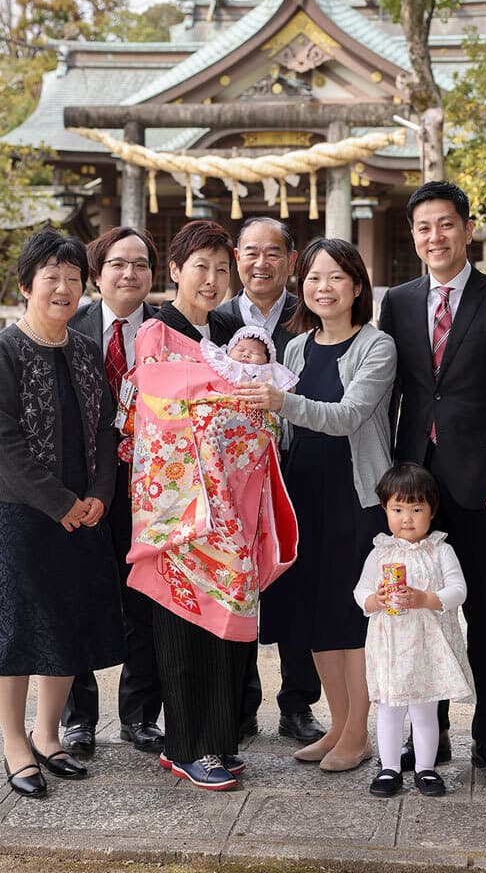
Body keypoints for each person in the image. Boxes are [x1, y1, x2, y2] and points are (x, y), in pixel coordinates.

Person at [379, 180, 486, 784]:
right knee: (421, 613)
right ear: (414, 235)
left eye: (446, 224)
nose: (434, 237)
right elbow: (392, 392)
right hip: (416, 492)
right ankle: (433, 734)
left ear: (467, 229)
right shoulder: (397, 301)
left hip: (481, 489)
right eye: (423, 227)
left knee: (485, 613)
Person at [127, 220, 284, 791]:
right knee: (180, 628)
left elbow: (255, 407)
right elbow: (160, 407)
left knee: (227, 628)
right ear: (174, 271)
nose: (214, 279)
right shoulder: (155, 333)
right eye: (202, 267)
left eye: (223, 268)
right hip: (179, 510)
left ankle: (209, 742)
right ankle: (192, 746)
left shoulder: (230, 331)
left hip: (232, 510)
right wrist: (223, 393)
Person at [236, 238, 397, 772]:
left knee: (351, 620)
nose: (322, 288)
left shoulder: (377, 346)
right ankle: (337, 725)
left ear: (356, 285)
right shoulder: (298, 346)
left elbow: (348, 416)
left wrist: (282, 402)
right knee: (315, 619)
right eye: (312, 278)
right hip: (301, 496)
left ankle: (358, 734)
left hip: (353, 500)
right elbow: (281, 427)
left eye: (335, 277)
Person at [0, 229, 125, 798]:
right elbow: (4, 443)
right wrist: (60, 503)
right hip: (18, 514)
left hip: (83, 513)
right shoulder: (1, 352)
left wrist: (98, 498)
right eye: (51, 278)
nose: (63, 289)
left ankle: (48, 733)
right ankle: (15, 742)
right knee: (15, 625)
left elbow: (108, 435)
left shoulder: (85, 351)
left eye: (72, 279)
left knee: (65, 619)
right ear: (26, 286)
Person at [217, 217, 326, 746]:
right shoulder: (216, 321)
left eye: (273, 254)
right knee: (236, 582)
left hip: (296, 466)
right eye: (250, 253)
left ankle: (298, 703)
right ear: (237, 257)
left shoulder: (310, 316)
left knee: (294, 582)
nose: (261, 264)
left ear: (291, 258)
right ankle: (239, 704)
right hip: (232, 476)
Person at [61, 226, 164, 758]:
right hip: (82, 489)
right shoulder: (68, 328)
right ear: (97, 275)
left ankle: (141, 715)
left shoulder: (168, 331)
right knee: (79, 596)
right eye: (119, 264)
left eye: (142, 264)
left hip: (152, 488)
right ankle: (78, 718)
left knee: (144, 598)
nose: (131, 274)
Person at [353, 464, 474, 798]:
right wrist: (374, 600)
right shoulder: (380, 553)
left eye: (416, 509)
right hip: (390, 647)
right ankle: (389, 767)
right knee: (390, 709)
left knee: (425, 710)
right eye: (398, 509)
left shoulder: (440, 551)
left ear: (431, 512)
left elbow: (459, 590)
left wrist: (426, 598)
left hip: (427, 647)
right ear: (385, 510)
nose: (407, 518)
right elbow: (360, 591)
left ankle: (426, 768)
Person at [199, 324, 299, 390]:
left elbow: (285, 392)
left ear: (267, 359)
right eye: (241, 350)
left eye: (255, 353)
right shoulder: (222, 363)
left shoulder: (270, 371)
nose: (246, 354)